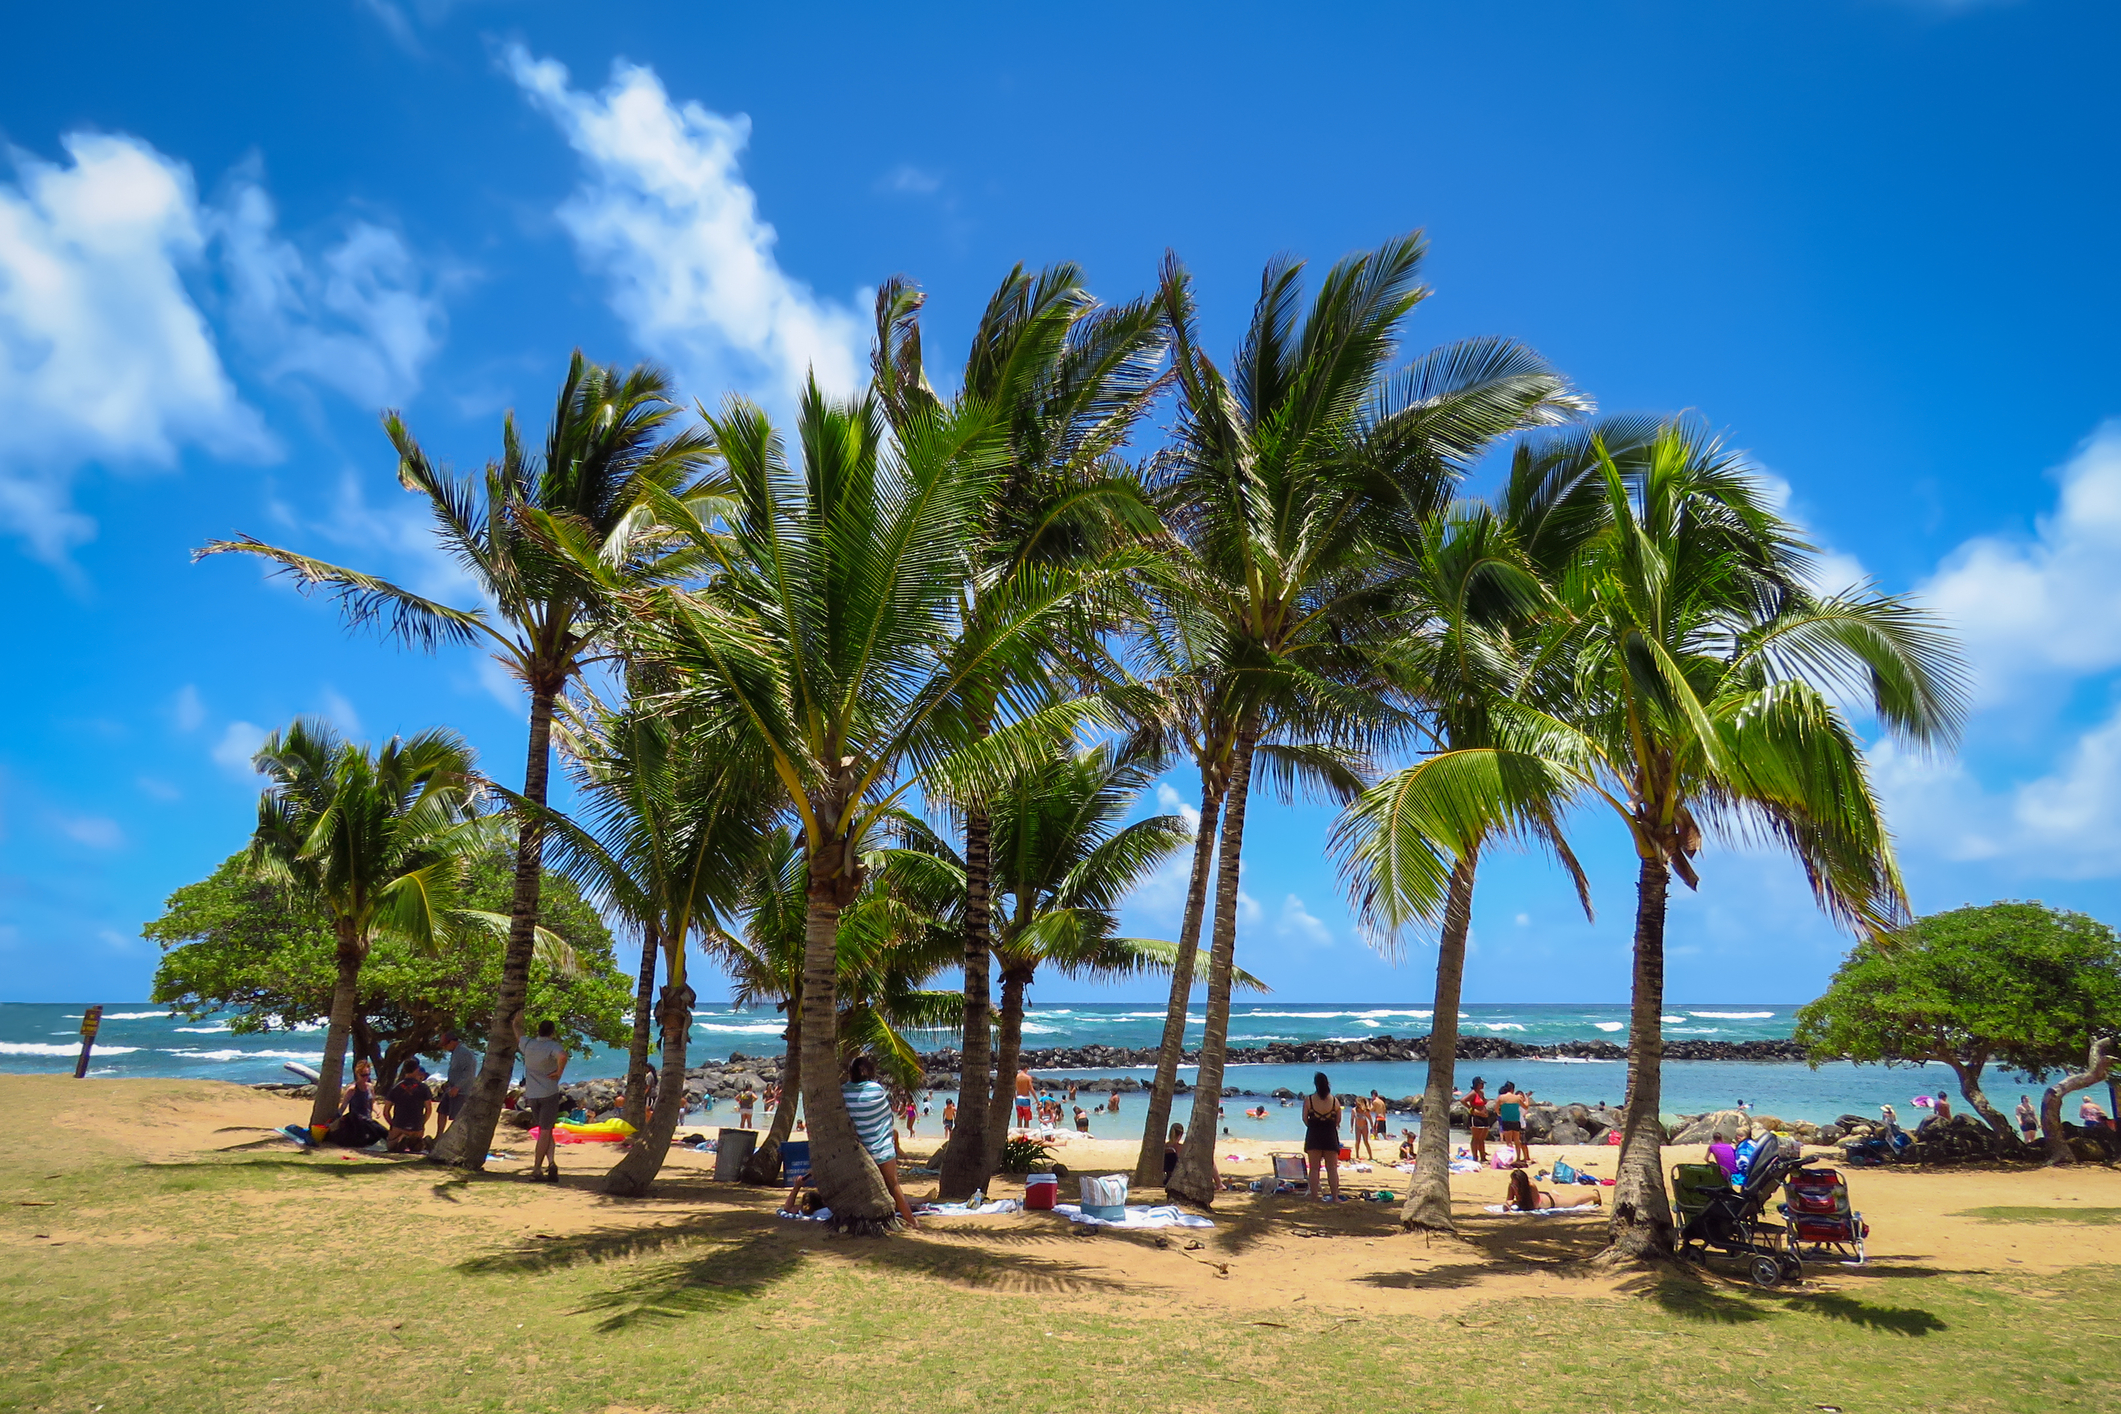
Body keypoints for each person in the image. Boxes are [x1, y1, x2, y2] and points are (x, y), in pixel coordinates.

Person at [842, 1056, 918, 1229]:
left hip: (861, 1151)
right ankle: (912, 1221)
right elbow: (886, 1117)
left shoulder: (844, 1091)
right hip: (882, 1149)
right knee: (893, 1186)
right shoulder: (876, 1090)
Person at [516, 1014, 568, 1184]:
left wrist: (515, 1022)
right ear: (552, 1032)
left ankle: (551, 1163)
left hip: (532, 1094)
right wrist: (559, 1072)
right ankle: (537, 1169)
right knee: (545, 1132)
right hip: (548, 1093)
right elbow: (562, 1055)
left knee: (545, 1131)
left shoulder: (528, 1044)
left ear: (538, 1031)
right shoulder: (553, 1046)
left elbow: (518, 1033)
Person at [1302, 1071, 1343, 1202]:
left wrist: (1315, 1125)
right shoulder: (1335, 1101)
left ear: (1315, 1084)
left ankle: (1314, 1196)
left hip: (1314, 1135)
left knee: (1314, 1169)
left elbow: (1305, 1119)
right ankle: (1335, 1197)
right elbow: (1338, 1121)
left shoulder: (1309, 1100)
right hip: (1330, 1136)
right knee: (1332, 1169)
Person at [328, 1058, 387, 1148]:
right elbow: (344, 1106)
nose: (365, 1078)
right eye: (363, 1075)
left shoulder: (370, 1087)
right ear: (357, 1074)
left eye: (367, 1075)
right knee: (378, 1131)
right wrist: (335, 1119)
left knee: (378, 1132)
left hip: (368, 1120)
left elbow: (373, 1102)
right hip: (356, 1122)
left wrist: (378, 1111)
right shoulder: (352, 1089)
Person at [382, 1059, 433, 1153]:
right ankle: (418, 1141)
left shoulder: (395, 1087)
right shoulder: (423, 1088)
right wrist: (422, 1123)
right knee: (416, 1146)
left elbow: (386, 1112)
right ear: (416, 1070)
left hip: (399, 1125)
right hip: (416, 1126)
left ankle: (400, 1140)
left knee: (390, 1146)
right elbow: (429, 1109)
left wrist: (392, 1124)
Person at [436, 1032, 478, 1140]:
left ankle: (456, 1139)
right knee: (442, 1111)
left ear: (453, 1042)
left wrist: (457, 1087)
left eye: (446, 1045)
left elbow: (468, 1072)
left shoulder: (463, 1053)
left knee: (458, 1117)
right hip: (451, 1087)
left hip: (461, 1091)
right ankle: (439, 1136)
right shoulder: (456, 1052)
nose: (445, 1048)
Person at [1495, 1080, 1530, 1167]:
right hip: (1515, 1120)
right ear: (1512, 1089)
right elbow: (1525, 1106)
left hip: (1506, 1120)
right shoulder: (1517, 1098)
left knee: (1509, 1142)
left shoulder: (1501, 1098)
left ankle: (1509, 1158)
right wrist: (1527, 1099)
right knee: (1517, 1141)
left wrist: (1500, 1114)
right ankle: (1518, 1158)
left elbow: (1496, 1108)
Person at [1464, 1077, 1491, 1165]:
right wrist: (1472, 1109)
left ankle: (1483, 1156)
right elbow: (1463, 1100)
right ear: (1476, 1084)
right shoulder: (1473, 1093)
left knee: (1482, 1138)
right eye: (1481, 1083)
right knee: (1476, 1138)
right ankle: (1475, 1157)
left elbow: (1483, 1102)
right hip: (1476, 1117)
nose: (1483, 1085)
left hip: (1484, 1117)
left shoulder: (1481, 1093)